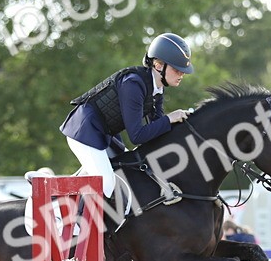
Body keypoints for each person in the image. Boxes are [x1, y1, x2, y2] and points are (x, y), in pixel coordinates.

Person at [61, 33, 194, 198]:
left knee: (128, 169)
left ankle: (54, 188)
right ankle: (75, 221)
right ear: (159, 65)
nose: (182, 74)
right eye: (177, 69)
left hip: (105, 135)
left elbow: (158, 128)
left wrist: (182, 126)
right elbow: (137, 136)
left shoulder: (157, 89)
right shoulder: (133, 84)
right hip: (84, 131)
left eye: (183, 70)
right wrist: (170, 118)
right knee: (107, 184)